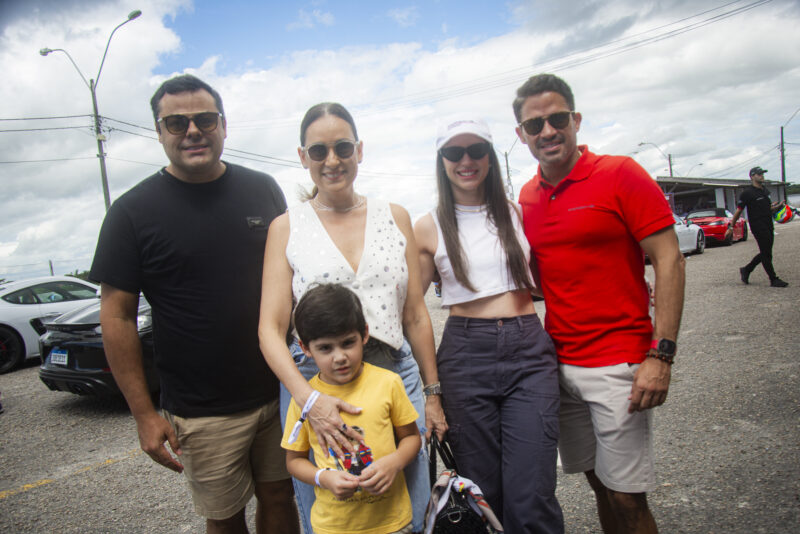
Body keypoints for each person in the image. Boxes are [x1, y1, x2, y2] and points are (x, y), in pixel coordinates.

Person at [90, 74, 298, 534]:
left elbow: (291, 281)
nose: (192, 131)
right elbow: (117, 317)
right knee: (223, 517)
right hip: (202, 409)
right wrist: (145, 414)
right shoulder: (130, 213)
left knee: (282, 495)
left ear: (223, 124)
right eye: (176, 122)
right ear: (159, 131)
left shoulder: (263, 190)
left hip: (280, 389)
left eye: (204, 119)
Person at [257, 102, 447, 534]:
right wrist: (309, 401)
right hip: (318, 383)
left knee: (409, 512)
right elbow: (269, 329)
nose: (332, 160)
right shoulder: (287, 227)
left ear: (360, 150)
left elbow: (416, 315)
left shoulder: (395, 216)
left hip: (395, 373)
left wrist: (433, 394)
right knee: (330, 514)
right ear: (303, 157)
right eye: (319, 151)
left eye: (343, 147)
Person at [513, 74, 686, 534]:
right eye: (535, 125)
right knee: (597, 483)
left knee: (627, 497)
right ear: (521, 135)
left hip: (620, 362)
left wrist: (661, 354)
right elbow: (538, 280)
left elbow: (669, 259)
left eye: (557, 119)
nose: (547, 131)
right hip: (560, 364)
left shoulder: (619, 173)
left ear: (576, 120)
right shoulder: (526, 198)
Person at [414, 117, 563, 533]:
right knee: (482, 496)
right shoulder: (427, 225)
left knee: (532, 492)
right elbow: (411, 311)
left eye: (476, 150)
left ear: (490, 158)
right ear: (441, 160)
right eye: (454, 152)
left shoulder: (515, 213)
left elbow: (562, 259)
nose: (466, 160)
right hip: (464, 355)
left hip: (528, 351)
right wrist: (431, 392)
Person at [282, 283, 421, 534]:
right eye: (325, 348)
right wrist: (323, 477)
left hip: (393, 523)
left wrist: (395, 462)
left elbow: (411, 437)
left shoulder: (388, 383)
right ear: (305, 348)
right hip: (333, 527)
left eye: (348, 343)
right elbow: (294, 461)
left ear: (364, 334)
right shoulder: (305, 402)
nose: (339, 357)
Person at [727, 167, 788, 287]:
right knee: (766, 253)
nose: (762, 176)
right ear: (752, 176)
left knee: (766, 253)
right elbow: (739, 211)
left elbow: (768, 208)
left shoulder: (765, 191)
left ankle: (746, 269)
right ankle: (773, 279)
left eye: (762, 174)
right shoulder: (747, 193)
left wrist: (778, 207)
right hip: (758, 226)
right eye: (759, 174)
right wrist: (731, 227)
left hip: (768, 224)